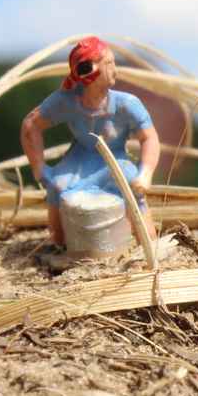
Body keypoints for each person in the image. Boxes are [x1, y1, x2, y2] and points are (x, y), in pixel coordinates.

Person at [20, 36, 160, 247]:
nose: (115, 70)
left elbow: (149, 137)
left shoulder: (127, 104)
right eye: (109, 64)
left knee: (132, 187)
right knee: (58, 186)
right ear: (90, 71)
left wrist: (146, 173)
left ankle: (149, 243)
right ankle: (60, 244)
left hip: (115, 158)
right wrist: (39, 168)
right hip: (81, 157)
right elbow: (31, 124)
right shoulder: (67, 101)